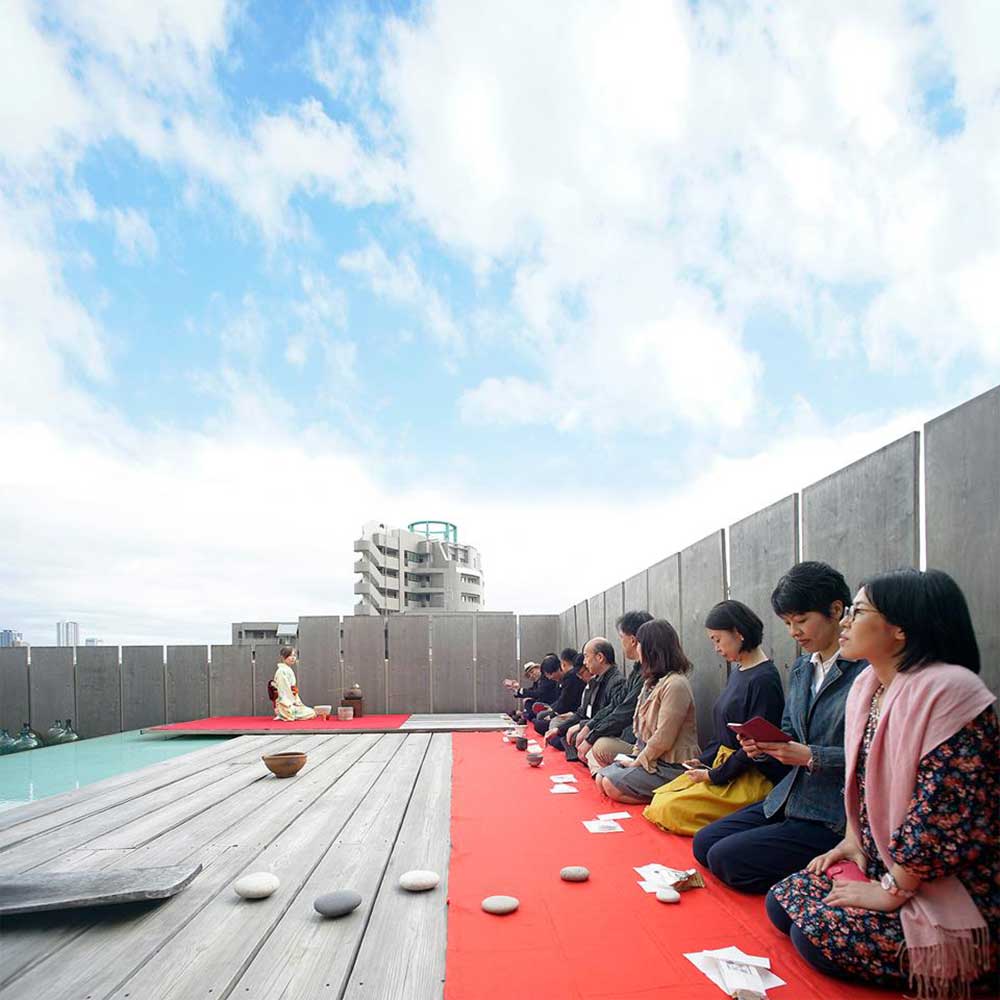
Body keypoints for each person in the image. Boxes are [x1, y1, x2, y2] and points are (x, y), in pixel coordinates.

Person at [767, 569, 998, 998]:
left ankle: (967, 960)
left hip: (938, 882)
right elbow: (860, 784)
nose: (848, 623)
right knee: (782, 900)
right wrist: (853, 841)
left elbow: (941, 820)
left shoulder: (950, 693)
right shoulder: (870, 688)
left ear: (899, 628)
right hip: (881, 861)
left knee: (812, 935)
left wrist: (891, 890)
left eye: (858, 611)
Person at [693, 561, 866, 893]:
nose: (793, 631)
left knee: (727, 858)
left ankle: (819, 871)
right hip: (789, 796)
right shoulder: (802, 667)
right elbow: (787, 731)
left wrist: (809, 756)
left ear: (837, 610)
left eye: (801, 621)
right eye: (787, 623)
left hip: (831, 812)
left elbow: (871, 755)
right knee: (705, 843)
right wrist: (761, 748)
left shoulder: (864, 673)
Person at [643, 600, 786, 836]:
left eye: (717, 640)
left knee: (668, 808)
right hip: (723, 765)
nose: (716, 648)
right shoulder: (738, 672)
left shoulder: (764, 679)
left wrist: (712, 775)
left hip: (747, 775)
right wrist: (703, 761)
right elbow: (723, 732)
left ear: (738, 634)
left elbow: (754, 748)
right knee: (662, 795)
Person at [596, 619, 700, 802]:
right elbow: (641, 734)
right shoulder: (650, 683)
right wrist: (634, 757)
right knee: (601, 778)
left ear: (652, 649)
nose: (637, 650)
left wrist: (636, 763)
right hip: (649, 758)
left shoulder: (676, 684)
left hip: (670, 764)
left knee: (610, 785)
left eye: (640, 645)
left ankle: (669, 795)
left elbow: (663, 738)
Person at [574, 611, 654, 773]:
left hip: (644, 748)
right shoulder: (637, 671)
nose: (585, 662)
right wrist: (589, 728)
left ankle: (606, 775)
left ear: (633, 640)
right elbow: (615, 706)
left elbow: (623, 712)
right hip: (633, 742)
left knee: (599, 747)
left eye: (621, 638)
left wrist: (591, 735)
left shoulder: (648, 675)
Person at [550, 638, 624, 757]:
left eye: (586, 656)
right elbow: (582, 712)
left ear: (600, 657)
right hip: (591, 725)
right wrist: (560, 729)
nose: (584, 662)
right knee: (561, 731)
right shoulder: (596, 680)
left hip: (606, 732)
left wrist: (585, 727)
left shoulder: (617, 682)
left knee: (584, 740)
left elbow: (611, 718)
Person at [533, 648, 583, 735]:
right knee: (540, 717)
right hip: (568, 713)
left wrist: (553, 714)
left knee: (542, 723)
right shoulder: (564, 679)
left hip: (572, 714)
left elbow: (565, 703)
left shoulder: (571, 677)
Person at [272, 647, 317, 721]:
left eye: (294, 656)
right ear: (283, 657)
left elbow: (292, 690)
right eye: (290, 656)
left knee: (312, 712)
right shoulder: (281, 672)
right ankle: (284, 713)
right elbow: (283, 691)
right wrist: (291, 702)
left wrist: (297, 701)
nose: (293, 658)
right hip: (285, 704)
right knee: (311, 712)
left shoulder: (287, 670)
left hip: (291, 701)